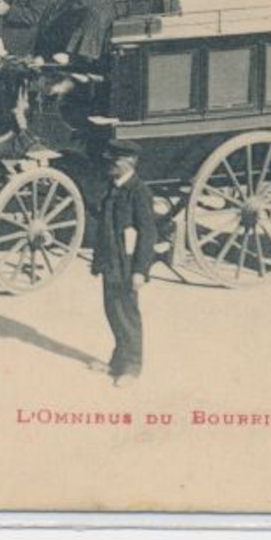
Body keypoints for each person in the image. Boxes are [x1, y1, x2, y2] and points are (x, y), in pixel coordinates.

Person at [89, 139, 157, 387]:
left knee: (127, 314)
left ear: (129, 162)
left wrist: (140, 271)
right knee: (113, 311)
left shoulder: (139, 192)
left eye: (114, 161)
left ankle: (132, 367)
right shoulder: (113, 186)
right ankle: (117, 362)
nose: (109, 164)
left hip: (127, 264)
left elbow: (148, 234)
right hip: (110, 261)